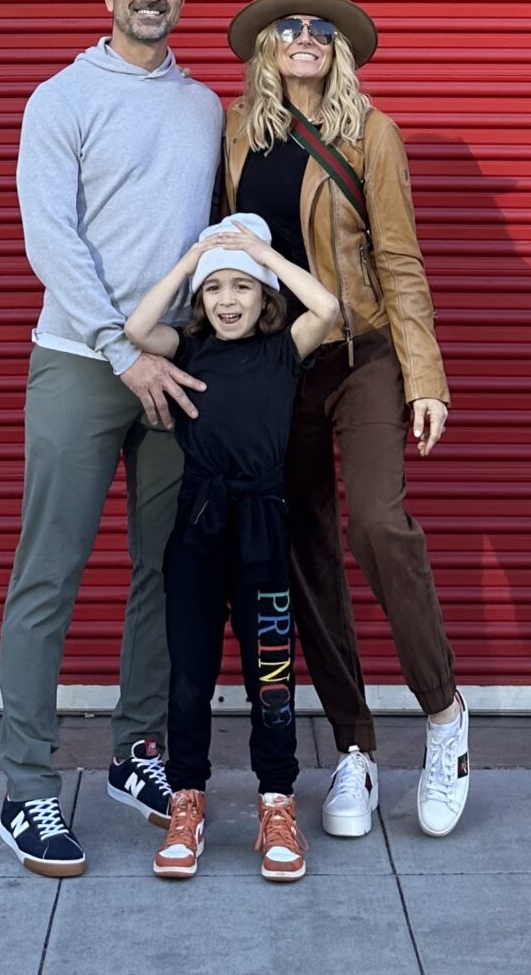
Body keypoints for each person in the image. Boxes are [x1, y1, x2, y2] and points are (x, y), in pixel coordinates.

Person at [0, 0, 224, 878]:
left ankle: (138, 752)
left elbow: (219, 233)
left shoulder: (207, 105)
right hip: (80, 365)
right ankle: (25, 789)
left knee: (164, 573)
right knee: (48, 574)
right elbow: (49, 237)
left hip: (173, 370)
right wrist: (112, 346)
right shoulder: (62, 98)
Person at [223, 0, 471, 840]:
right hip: (277, 365)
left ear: (337, 50)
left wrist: (424, 374)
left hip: (360, 357)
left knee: (376, 523)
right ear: (266, 47)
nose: (301, 36)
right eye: (287, 27)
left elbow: (398, 258)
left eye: (317, 28)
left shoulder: (372, 134)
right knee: (304, 553)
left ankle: (443, 717)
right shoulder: (232, 133)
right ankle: (354, 748)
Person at [123, 213, 341, 882]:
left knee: (270, 677)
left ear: (263, 295)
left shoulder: (283, 350)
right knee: (188, 678)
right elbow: (135, 329)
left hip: (263, 530)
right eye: (214, 289)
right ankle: (188, 800)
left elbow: (328, 306)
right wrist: (193, 258)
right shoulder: (187, 348)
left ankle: (276, 802)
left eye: (240, 288)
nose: (225, 299)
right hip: (197, 528)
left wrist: (253, 251)